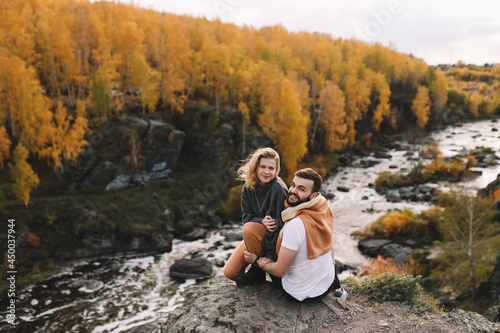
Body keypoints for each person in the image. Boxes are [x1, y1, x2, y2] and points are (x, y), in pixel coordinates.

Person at [243, 168, 344, 301]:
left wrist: (255, 260)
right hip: (326, 285)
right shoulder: (322, 208)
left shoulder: (294, 224)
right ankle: (337, 287)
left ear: (313, 196)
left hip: (299, 293)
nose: (292, 191)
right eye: (293, 185)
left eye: (301, 189)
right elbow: (329, 246)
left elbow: (279, 271)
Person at [223, 147, 288, 286]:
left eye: (271, 168)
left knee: (249, 229)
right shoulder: (248, 186)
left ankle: (257, 271)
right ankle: (257, 274)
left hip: (274, 241)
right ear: (255, 167)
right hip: (255, 236)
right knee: (230, 273)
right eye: (262, 167)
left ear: (276, 170)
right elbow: (246, 216)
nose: (266, 171)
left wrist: (269, 258)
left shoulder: (278, 189)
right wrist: (261, 221)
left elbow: (279, 228)